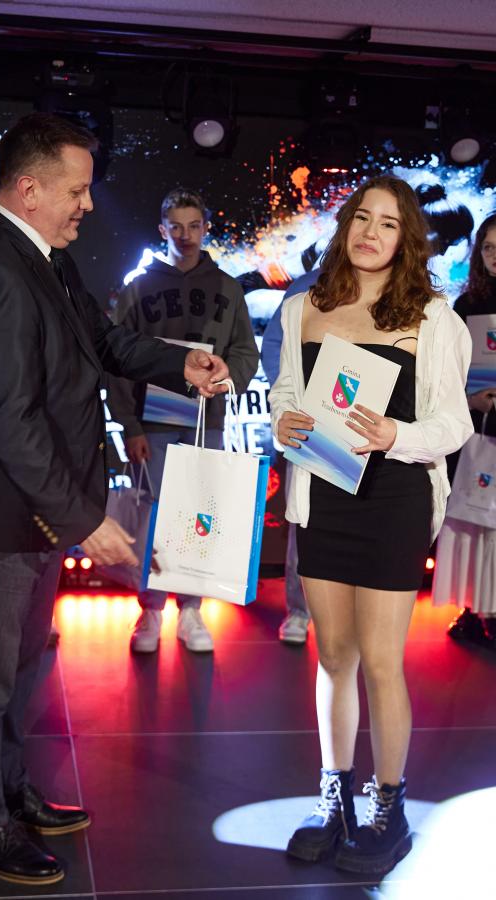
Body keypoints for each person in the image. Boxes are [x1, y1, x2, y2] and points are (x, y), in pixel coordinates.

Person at [0, 113, 229, 887]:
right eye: (78, 191)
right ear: (30, 190)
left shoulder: (45, 258)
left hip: (35, 510)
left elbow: (102, 342)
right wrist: (83, 519)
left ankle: (11, 793)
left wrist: (180, 363)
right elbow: (12, 421)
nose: (88, 206)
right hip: (1, 515)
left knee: (22, 666)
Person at [269, 175, 472, 877]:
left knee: (383, 662)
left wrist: (395, 434)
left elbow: (453, 423)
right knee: (333, 656)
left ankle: (389, 807)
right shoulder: (302, 307)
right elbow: (287, 393)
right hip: (324, 493)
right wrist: (284, 421)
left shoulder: (433, 317)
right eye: (362, 218)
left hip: (393, 499)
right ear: (345, 226)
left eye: (388, 223)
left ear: (405, 238)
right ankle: (335, 798)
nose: (371, 232)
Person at [107, 188, 258, 654]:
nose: (185, 235)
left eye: (194, 226)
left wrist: (227, 375)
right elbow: (115, 358)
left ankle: (191, 609)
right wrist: (130, 424)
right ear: (162, 230)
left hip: (205, 419)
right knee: (154, 515)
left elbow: (245, 351)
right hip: (153, 420)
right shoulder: (139, 288)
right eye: (176, 226)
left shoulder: (227, 288)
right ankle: (150, 609)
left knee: (198, 515)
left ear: (206, 228)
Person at [432, 213, 496, 647]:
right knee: (472, 521)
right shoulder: (466, 305)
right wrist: (471, 400)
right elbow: (448, 372)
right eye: (487, 247)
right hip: (476, 427)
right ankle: (473, 609)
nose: (494, 256)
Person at [261, 271, 318, 644]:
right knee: (304, 516)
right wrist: (287, 402)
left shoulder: (393, 283)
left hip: (370, 422)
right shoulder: (307, 287)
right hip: (310, 419)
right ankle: (300, 610)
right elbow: (274, 345)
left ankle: (359, 613)